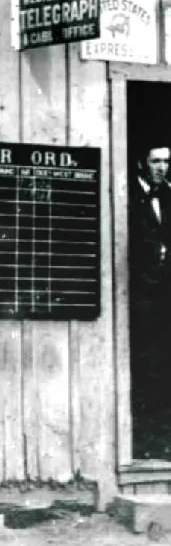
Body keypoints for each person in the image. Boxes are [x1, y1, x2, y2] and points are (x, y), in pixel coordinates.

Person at [129, 140, 171, 457]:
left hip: (164, 297)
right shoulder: (129, 195)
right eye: (155, 161)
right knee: (143, 367)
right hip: (138, 299)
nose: (162, 167)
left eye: (166, 162)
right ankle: (142, 442)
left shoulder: (168, 196)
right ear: (143, 164)